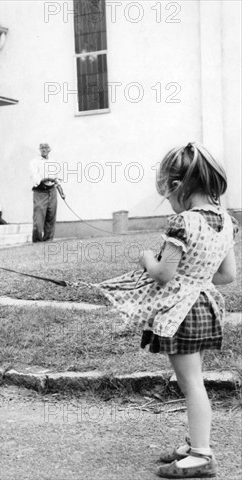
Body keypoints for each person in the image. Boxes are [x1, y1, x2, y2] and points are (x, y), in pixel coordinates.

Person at [99, 143, 237, 478]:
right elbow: (227, 275)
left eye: (168, 194)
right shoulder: (225, 220)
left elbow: (163, 273)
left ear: (179, 188)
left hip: (181, 312)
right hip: (205, 306)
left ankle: (202, 455)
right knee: (195, 380)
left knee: (191, 384)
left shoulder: (182, 223)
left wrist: (146, 257)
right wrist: (198, 272)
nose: (169, 202)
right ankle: (195, 444)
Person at [30, 142, 61, 242]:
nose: (44, 149)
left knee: (51, 216)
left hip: (52, 190)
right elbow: (34, 177)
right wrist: (45, 179)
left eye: (46, 148)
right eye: (42, 148)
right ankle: (37, 241)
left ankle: (48, 240)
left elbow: (57, 177)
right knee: (38, 218)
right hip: (40, 191)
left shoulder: (53, 162)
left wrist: (61, 190)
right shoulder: (34, 162)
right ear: (39, 149)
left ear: (49, 150)